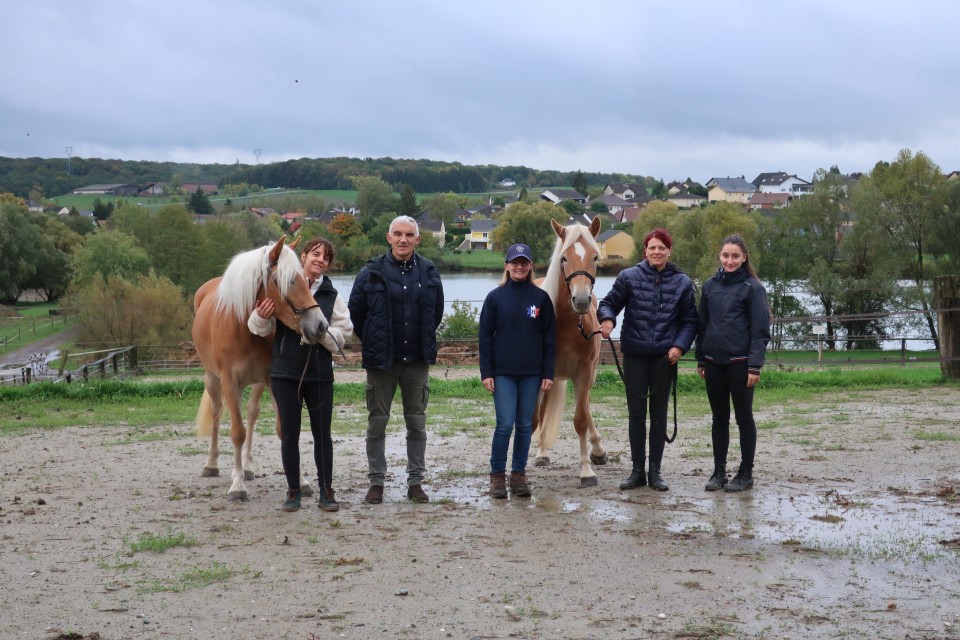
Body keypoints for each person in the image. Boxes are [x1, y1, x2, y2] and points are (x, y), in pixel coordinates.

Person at [248, 237, 353, 512]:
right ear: (303, 257)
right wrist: (261, 315)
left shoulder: (331, 295)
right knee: (290, 434)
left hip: (319, 373)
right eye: (315, 254)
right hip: (285, 371)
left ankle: (326, 491)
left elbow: (344, 333)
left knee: (322, 434)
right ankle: (293, 490)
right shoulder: (281, 285)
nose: (320, 260)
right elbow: (257, 328)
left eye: (326, 258)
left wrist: (323, 337)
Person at [348, 215, 444, 504]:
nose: (403, 239)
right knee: (377, 423)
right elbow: (356, 312)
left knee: (416, 423)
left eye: (409, 234)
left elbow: (436, 312)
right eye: (398, 234)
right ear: (388, 238)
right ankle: (376, 482)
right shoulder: (371, 272)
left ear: (418, 239)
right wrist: (375, 341)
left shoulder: (429, 271)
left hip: (416, 360)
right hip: (381, 362)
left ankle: (415, 483)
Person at [598, 228, 698, 492]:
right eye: (652, 248)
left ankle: (655, 471)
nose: (657, 252)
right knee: (636, 415)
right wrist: (607, 319)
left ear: (669, 251)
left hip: (665, 358)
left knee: (659, 415)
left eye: (661, 248)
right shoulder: (628, 277)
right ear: (646, 251)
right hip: (635, 355)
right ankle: (636, 471)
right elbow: (608, 303)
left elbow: (689, 322)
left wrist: (680, 346)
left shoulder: (683, 283)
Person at [479, 243, 556, 499]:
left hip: (532, 374)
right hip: (502, 373)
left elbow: (549, 339)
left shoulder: (541, 299)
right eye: (515, 262)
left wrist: (548, 373)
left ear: (531, 266)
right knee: (505, 424)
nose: (520, 267)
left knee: (525, 425)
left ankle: (519, 475)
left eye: (524, 262)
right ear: (507, 266)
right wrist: (486, 372)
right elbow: (485, 338)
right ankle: (497, 477)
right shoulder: (494, 297)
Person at [695, 234, 771, 492]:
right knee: (719, 418)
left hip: (741, 364)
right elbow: (702, 326)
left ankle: (746, 473)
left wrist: (754, 365)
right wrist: (701, 359)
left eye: (735, 256)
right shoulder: (708, 286)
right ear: (720, 256)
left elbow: (760, 330)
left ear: (744, 257)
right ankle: (719, 472)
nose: (730, 260)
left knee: (744, 418)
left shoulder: (753, 288)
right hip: (714, 362)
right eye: (726, 255)